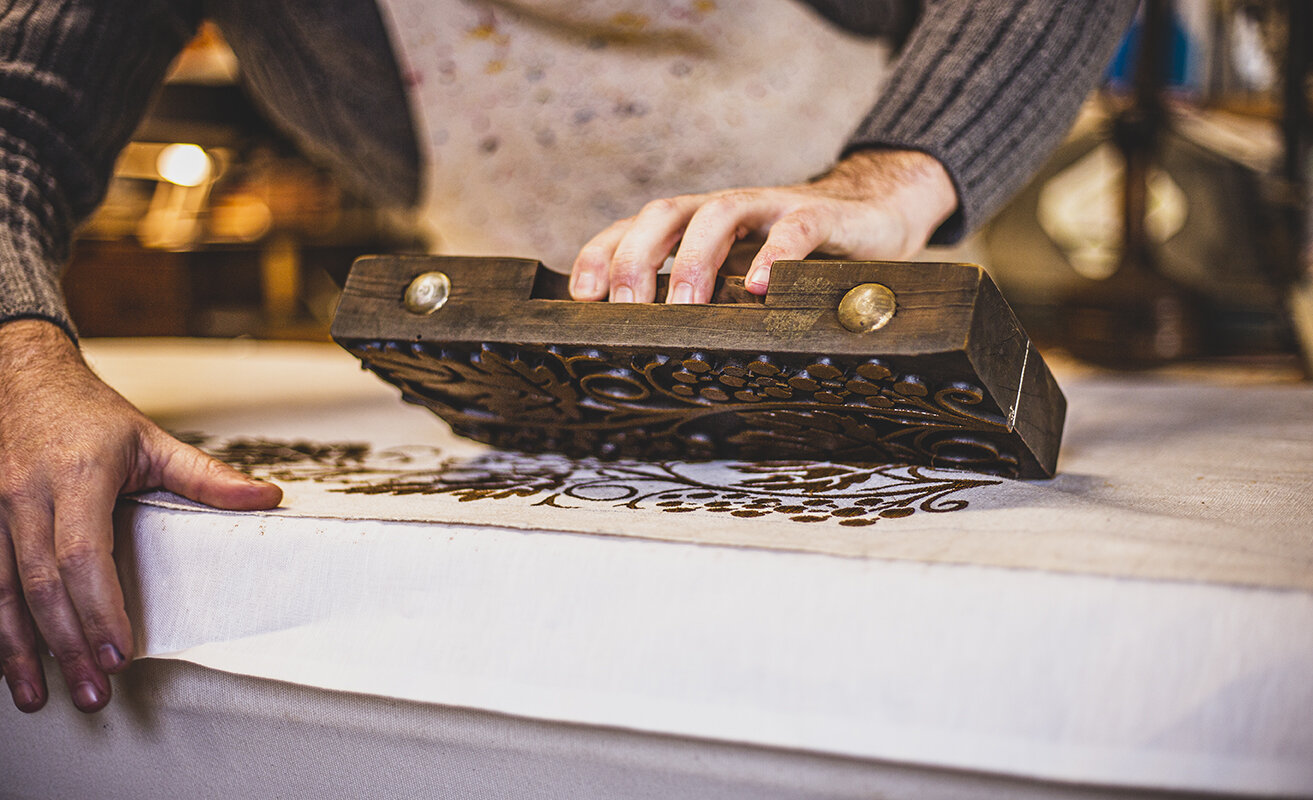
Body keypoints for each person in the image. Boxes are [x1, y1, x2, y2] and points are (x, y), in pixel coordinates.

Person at [0, 0, 1137, 714]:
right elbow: (19, 116)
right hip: (524, 391)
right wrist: (17, 353)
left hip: (885, 329)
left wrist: (890, 180)